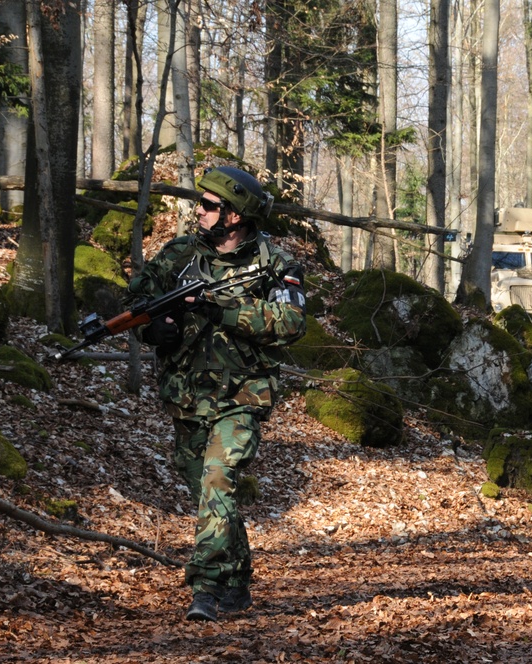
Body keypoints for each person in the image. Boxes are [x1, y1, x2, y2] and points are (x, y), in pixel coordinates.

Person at [127, 166, 307, 622]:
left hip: (242, 397)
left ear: (235, 215)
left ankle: (204, 587)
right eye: (201, 203)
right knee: (211, 497)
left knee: (217, 481)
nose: (199, 211)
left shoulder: (274, 264)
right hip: (187, 396)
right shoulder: (181, 255)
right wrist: (157, 331)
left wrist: (219, 307)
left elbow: (289, 324)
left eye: (209, 205)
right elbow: (138, 302)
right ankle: (238, 580)